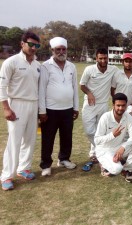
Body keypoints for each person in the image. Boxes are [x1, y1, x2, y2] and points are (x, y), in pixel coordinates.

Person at [0, 31, 41, 191]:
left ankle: (23, 168)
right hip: (16, 104)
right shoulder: (11, 62)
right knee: (14, 141)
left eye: (36, 45)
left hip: (33, 104)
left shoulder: (38, 65)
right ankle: (6, 176)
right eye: (30, 44)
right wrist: (6, 108)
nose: (33, 48)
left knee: (30, 139)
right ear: (22, 43)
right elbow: (2, 87)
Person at [38, 37, 79, 176]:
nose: (61, 52)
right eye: (58, 49)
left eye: (63, 49)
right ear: (52, 50)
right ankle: (46, 164)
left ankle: (64, 159)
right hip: (50, 110)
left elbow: (74, 87)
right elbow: (41, 89)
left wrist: (76, 107)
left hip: (67, 109)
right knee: (48, 138)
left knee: (67, 136)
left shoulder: (71, 66)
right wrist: (42, 111)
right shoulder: (45, 66)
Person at [80, 48, 119, 163]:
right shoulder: (89, 69)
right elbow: (82, 85)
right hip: (90, 104)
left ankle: (93, 153)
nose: (103, 60)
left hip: (103, 105)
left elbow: (124, 73)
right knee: (89, 131)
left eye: (105, 58)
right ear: (96, 58)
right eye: (100, 58)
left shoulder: (113, 69)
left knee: (100, 130)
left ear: (108, 58)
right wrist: (89, 93)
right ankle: (101, 150)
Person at [94, 93, 132, 183]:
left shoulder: (127, 116)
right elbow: (96, 140)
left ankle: (127, 170)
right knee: (116, 170)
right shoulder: (105, 117)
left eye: (123, 105)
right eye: (118, 105)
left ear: (126, 105)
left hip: (118, 147)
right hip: (105, 150)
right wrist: (112, 135)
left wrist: (123, 148)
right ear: (113, 105)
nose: (120, 108)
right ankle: (103, 165)